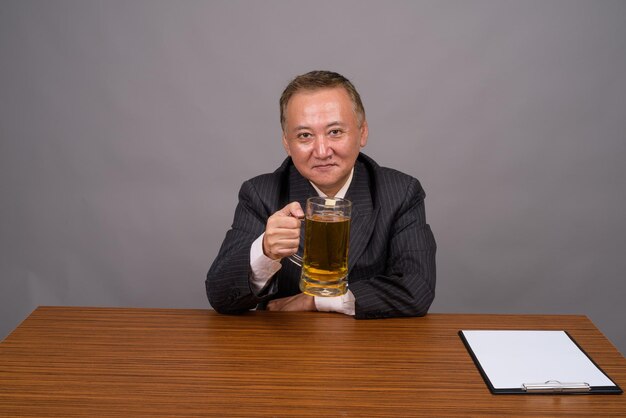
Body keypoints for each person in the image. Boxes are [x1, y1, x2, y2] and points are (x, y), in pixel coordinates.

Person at [206, 70, 436, 319]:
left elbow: (417, 289)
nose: (322, 151)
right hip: (285, 346)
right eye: (305, 135)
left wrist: (316, 301)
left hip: (371, 346)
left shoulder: (400, 192)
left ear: (362, 132)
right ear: (287, 142)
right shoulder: (260, 194)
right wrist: (264, 251)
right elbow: (220, 296)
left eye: (335, 132)